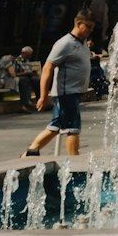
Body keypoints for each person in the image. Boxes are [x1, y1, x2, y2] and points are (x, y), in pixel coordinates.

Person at [24, 12, 95, 159]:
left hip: (74, 93)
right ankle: (75, 161)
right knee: (72, 128)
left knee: (55, 127)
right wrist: (43, 96)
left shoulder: (82, 43)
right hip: (66, 93)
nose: (89, 30)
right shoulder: (65, 43)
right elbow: (47, 68)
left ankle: (30, 153)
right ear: (78, 24)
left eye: (91, 28)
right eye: (87, 27)